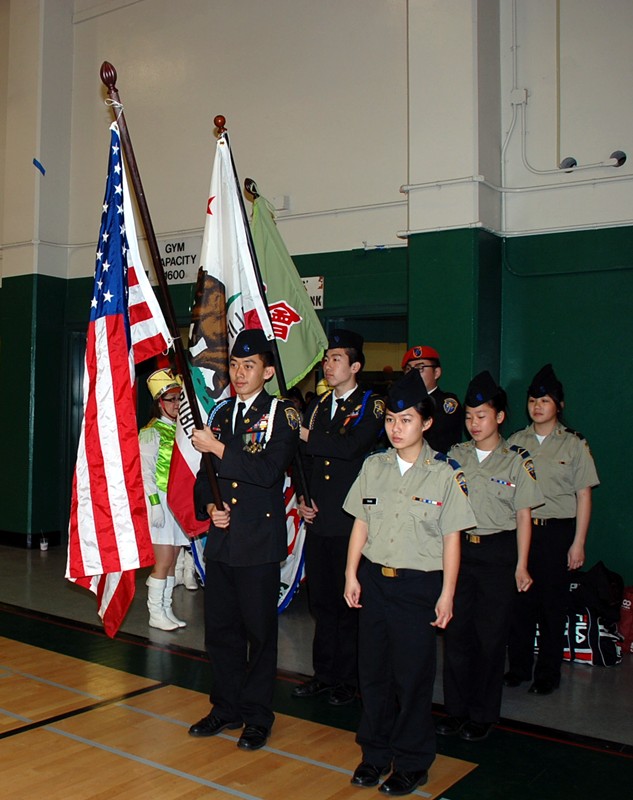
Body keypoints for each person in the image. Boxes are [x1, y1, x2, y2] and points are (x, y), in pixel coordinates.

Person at [343, 369, 476, 796]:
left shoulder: (445, 473)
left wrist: (447, 594)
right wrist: (350, 573)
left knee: (412, 678)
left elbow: (452, 539)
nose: (396, 429)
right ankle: (375, 754)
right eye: (390, 420)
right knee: (373, 674)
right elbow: (361, 523)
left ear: (427, 422)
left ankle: (413, 761)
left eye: (406, 420)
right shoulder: (374, 466)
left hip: (418, 587)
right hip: (374, 582)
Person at [188, 329, 300, 751]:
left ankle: (257, 715)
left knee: (259, 633)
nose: (239, 373)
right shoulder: (221, 414)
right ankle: (226, 707)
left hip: (257, 542)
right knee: (220, 631)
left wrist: (218, 448)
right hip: (223, 541)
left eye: (249, 366)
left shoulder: (282, 414)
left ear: (267, 372)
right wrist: (209, 507)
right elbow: (206, 476)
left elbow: (269, 471)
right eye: (234, 365)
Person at [438, 371, 543, 742]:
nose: (474, 423)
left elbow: (524, 516)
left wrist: (521, 564)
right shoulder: (456, 456)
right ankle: (455, 710)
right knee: (456, 635)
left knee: (489, 637)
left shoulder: (516, 460)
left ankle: (483, 714)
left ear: (499, 417)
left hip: (498, 554)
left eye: (481, 416)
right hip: (460, 551)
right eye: (469, 416)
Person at [292, 329, 385, 706]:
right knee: (322, 602)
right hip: (319, 518)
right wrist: (303, 497)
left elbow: (351, 447)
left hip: (352, 520)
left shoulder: (371, 404)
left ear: (355, 366)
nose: (328, 366)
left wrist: (304, 435)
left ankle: (349, 678)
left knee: (350, 604)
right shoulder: (317, 406)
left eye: (336, 359)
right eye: (326, 359)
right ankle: (324, 673)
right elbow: (303, 461)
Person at [504, 364, 600, 695]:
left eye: (544, 401)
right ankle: (518, 668)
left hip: (556, 533)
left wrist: (578, 543)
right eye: (532, 400)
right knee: (520, 603)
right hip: (521, 531)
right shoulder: (516, 441)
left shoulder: (573, 444)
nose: (537, 406)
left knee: (551, 607)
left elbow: (584, 495)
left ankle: (548, 674)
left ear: (559, 405)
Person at [139, 369, 190, 631]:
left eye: (179, 398)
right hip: (159, 500)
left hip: (177, 502)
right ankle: (155, 613)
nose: (176, 404)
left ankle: (166, 609)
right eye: (171, 399)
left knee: (174, 558)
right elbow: (144, 473)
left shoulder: (180, 430)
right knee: (164, 559)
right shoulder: (150, 432)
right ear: (160, 403)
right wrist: (155, 505)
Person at [401, 345, 463, 454]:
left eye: (420, 368)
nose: (412, 374)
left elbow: (438, 440)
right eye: (409, 369)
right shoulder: (401, 403)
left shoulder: (446, 403)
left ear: (436, 373)